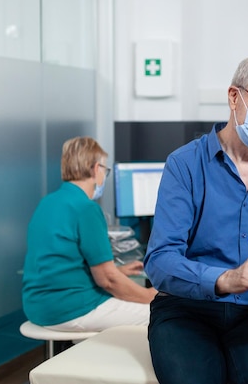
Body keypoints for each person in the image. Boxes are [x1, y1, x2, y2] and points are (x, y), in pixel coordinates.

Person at [144, 57, 248, 384]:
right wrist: (225, 279)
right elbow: (160, 261)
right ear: (235, 97)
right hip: (186, 311)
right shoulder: (184, 165)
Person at [22, 136, 156, 333]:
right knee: (162, 315)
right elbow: (107, 281)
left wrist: (118, 271)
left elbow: (61, 267)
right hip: (70, 309)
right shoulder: (86, 208)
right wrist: (149, 296)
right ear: (96, 169)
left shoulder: (48, 202)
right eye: (105, 170)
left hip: (37, 307)